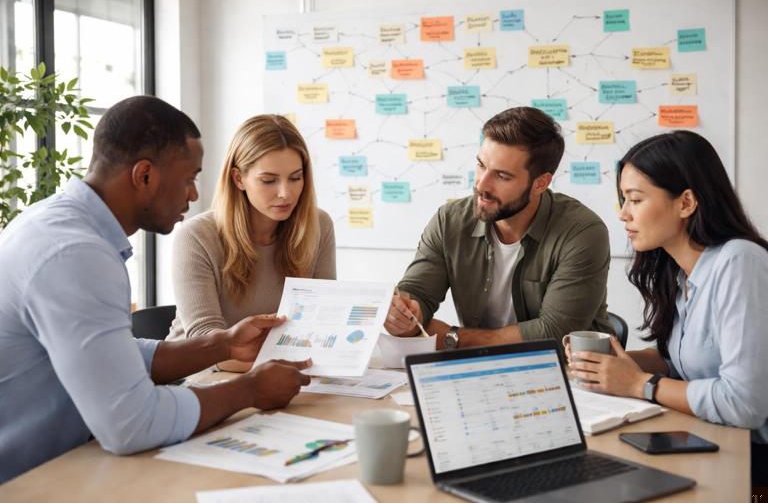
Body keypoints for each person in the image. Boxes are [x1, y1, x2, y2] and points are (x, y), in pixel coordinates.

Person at [0, 96, 311, 483]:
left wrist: (224, 345)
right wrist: (249, 391)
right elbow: (132, 424)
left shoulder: (57, 226)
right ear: (144, 175)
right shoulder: (76, 254)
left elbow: (111, 354)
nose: (194, 195)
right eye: (189, 178)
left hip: (63, 462)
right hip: (28, 480)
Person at [567, 130, 768, 487]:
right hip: (714, 440)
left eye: (635, 199)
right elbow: (685, 362)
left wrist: (640, 384)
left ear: (686, 202)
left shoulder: (740, 262)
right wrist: (608, 365)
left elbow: (744, 403)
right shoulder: (682, 273)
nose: (624, 215)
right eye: (623, 200)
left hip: (755, 458)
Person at [384, 106, 613, 349]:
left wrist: (451, 337)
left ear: (540, 183)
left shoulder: (582, 232)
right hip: (483, 371)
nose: (482, 185)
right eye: (481, 165)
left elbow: (555, 332)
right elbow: (417, 292)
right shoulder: (449, 221)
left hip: (571, 374)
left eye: (502, 176)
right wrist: (406, 315)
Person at [165, 115, 335, 372]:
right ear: (238, 179)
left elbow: (323, 320)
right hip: (198, 377)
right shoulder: (195, 236)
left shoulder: (319, 225)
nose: (285, 193)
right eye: (269, 180)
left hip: (284, 374)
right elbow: (206, 342)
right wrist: (285, 365)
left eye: (295, 178)